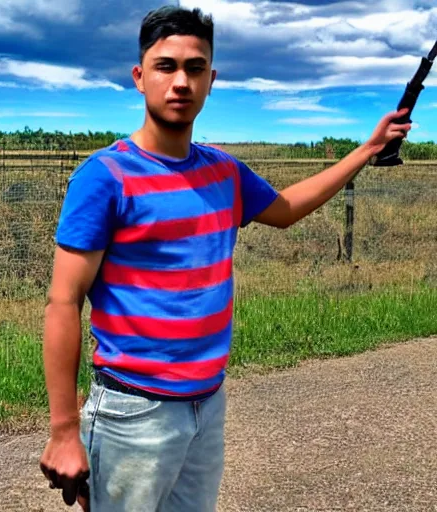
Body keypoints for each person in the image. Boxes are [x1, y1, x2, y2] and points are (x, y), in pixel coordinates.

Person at [39, 5, 411, 512]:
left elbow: (286, 209)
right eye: (166, 66)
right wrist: (63, 431)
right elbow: (63, 301)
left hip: (206, 404)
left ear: (211, 80)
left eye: (195, 68)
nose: (180, 82)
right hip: (132, 410)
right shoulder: (105, 176)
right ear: (139, 76)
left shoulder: (224, 172)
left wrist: (367, 149)